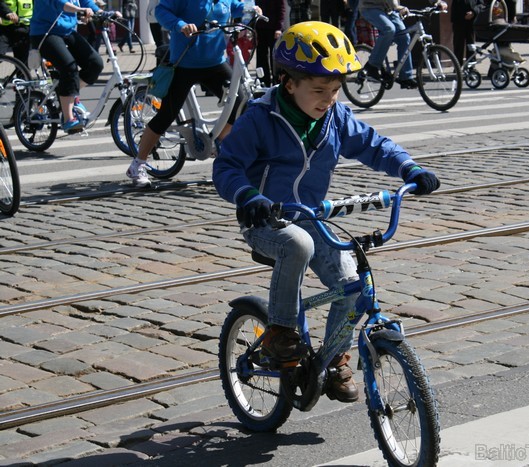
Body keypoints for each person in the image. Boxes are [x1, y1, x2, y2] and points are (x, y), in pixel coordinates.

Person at [212, 22, 440, 403]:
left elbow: (373, 145)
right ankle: (281, 333)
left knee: (351, 279)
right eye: (319, 90)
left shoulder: (334, 117)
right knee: (297, 244)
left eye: (335, 90)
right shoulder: (259, 118)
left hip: (311, 215)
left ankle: (334, 359)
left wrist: (408, 167)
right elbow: (226, 166)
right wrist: (249, 196)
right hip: (265, 220)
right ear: (289, 84)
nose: (329, 99)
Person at [125, 0, 261, 187]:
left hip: (215, 62)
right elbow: (162, 11)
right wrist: (181, 25)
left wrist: (251, 9)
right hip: (184, 63)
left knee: (240, 103)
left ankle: (220, 142)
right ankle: (138, 164)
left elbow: (235, 7)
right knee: (166, 115)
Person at [30, 0, 109, 133]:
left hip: (67, 31)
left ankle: (71, 93)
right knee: (69, 67)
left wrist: (102, 12)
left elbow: (85, 1)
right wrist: (80, 10)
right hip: (45, 33)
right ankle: (68, 119)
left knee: (95, 63)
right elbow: (61, 3)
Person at [360, 0, 447, 89]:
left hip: (389, 10)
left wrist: (437, 2)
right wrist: (397, 7)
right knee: (389, 30)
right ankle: (372, 66)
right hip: (370, 7)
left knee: (404, 37)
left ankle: (405, 77)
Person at [255, 0, 285, 87]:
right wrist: (254, 28)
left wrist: (279, 28)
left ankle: (278, 83)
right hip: (260, 28)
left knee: (275, 58)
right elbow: (253, 9)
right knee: (261, 57)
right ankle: (263, 82)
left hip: (274, 29)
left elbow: (281, 10)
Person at [450, 0, 484, 65]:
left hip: (471, 21)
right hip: (458, 20)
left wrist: (473, 12)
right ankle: (458, 66)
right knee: (458, 44)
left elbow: (481, 5)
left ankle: (471, 65)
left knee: (471, 44)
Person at [0, 0, 32, 66]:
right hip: (4, 29)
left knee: (23, 65)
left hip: (25, 29)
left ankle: (21, 76)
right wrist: (7, 12)